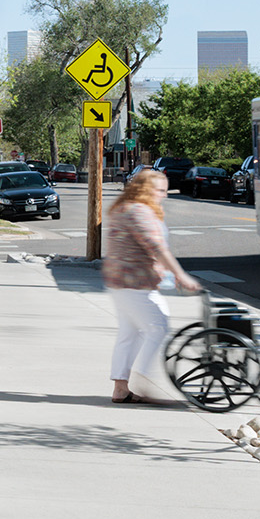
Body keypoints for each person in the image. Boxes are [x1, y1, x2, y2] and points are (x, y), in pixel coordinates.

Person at [105, 169, 200, 403]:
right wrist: (180, 274)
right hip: (135, 283)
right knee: (157, 327)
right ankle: (144, 381)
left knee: (130, 333)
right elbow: (156, 247)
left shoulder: (126, 207)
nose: (164, 195)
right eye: (160, 190)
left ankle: (121, 388)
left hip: (121, 282)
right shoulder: (138, 211)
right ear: (146, 190)